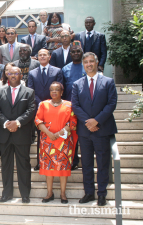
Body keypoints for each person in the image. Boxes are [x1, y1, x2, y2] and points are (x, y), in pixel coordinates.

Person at [72, 52, 117, 206]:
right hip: (85, 131)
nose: (89, 64)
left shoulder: (108, 82)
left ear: (97, 63)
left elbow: (111, 104)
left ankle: (102, 194)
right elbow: (75, 106)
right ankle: (89, 193)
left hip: (102, 129)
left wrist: (96, 120)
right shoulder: (77, 84)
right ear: (83, 65)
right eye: (86, 62)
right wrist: (88, 122)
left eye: (92, 61)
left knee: (103, 163)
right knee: (86, 163)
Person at [0, 66, 35, 204]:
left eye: (16, 73)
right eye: (10, 73)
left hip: (21, 134)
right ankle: (7, 194)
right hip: (5, 134)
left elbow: (31, 110)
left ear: (21, 75)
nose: (12, 75)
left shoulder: (29, 92)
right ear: (7, 75)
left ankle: (25, 194)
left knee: (23, 164)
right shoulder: (0, 91)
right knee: (6, 165)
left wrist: (17, 123)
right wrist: (6, 123)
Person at [35, 81, 78, 204]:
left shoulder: (69, 105)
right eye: (51, 89)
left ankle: (63, 194)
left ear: (62, 92)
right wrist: (49, 133)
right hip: (47, 141)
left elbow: (73, 122)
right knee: (48, 168)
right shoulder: (43, 104)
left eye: (57, 89)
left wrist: (58, 133)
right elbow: (38, 120)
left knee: (63, 169)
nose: (54, 92)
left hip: (64, 142)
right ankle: (49, 193)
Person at [28, 49, 63, 171]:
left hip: (55, 108)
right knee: (41, 136)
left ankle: (56, 161)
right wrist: (42, 104)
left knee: (55, 134)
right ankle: (40, 162)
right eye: (40, 55)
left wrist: (51, 103)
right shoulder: (32, 73)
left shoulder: (57, 71)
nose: (42, 56)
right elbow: (31, 91)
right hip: (40, 109)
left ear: (49, 57)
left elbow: (58, 89)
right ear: (37, 58)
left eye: (45, 55)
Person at [62, 41, 86, 171]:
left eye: (78, 51)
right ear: (70, 54)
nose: (76, 53)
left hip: (86, 108)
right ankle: (73, 160)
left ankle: (86, 160)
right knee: (71, 136)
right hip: (70, 109)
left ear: (82, 53)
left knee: (84, 135)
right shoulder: (65, 69)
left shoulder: (86, 67)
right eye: (73, 52)